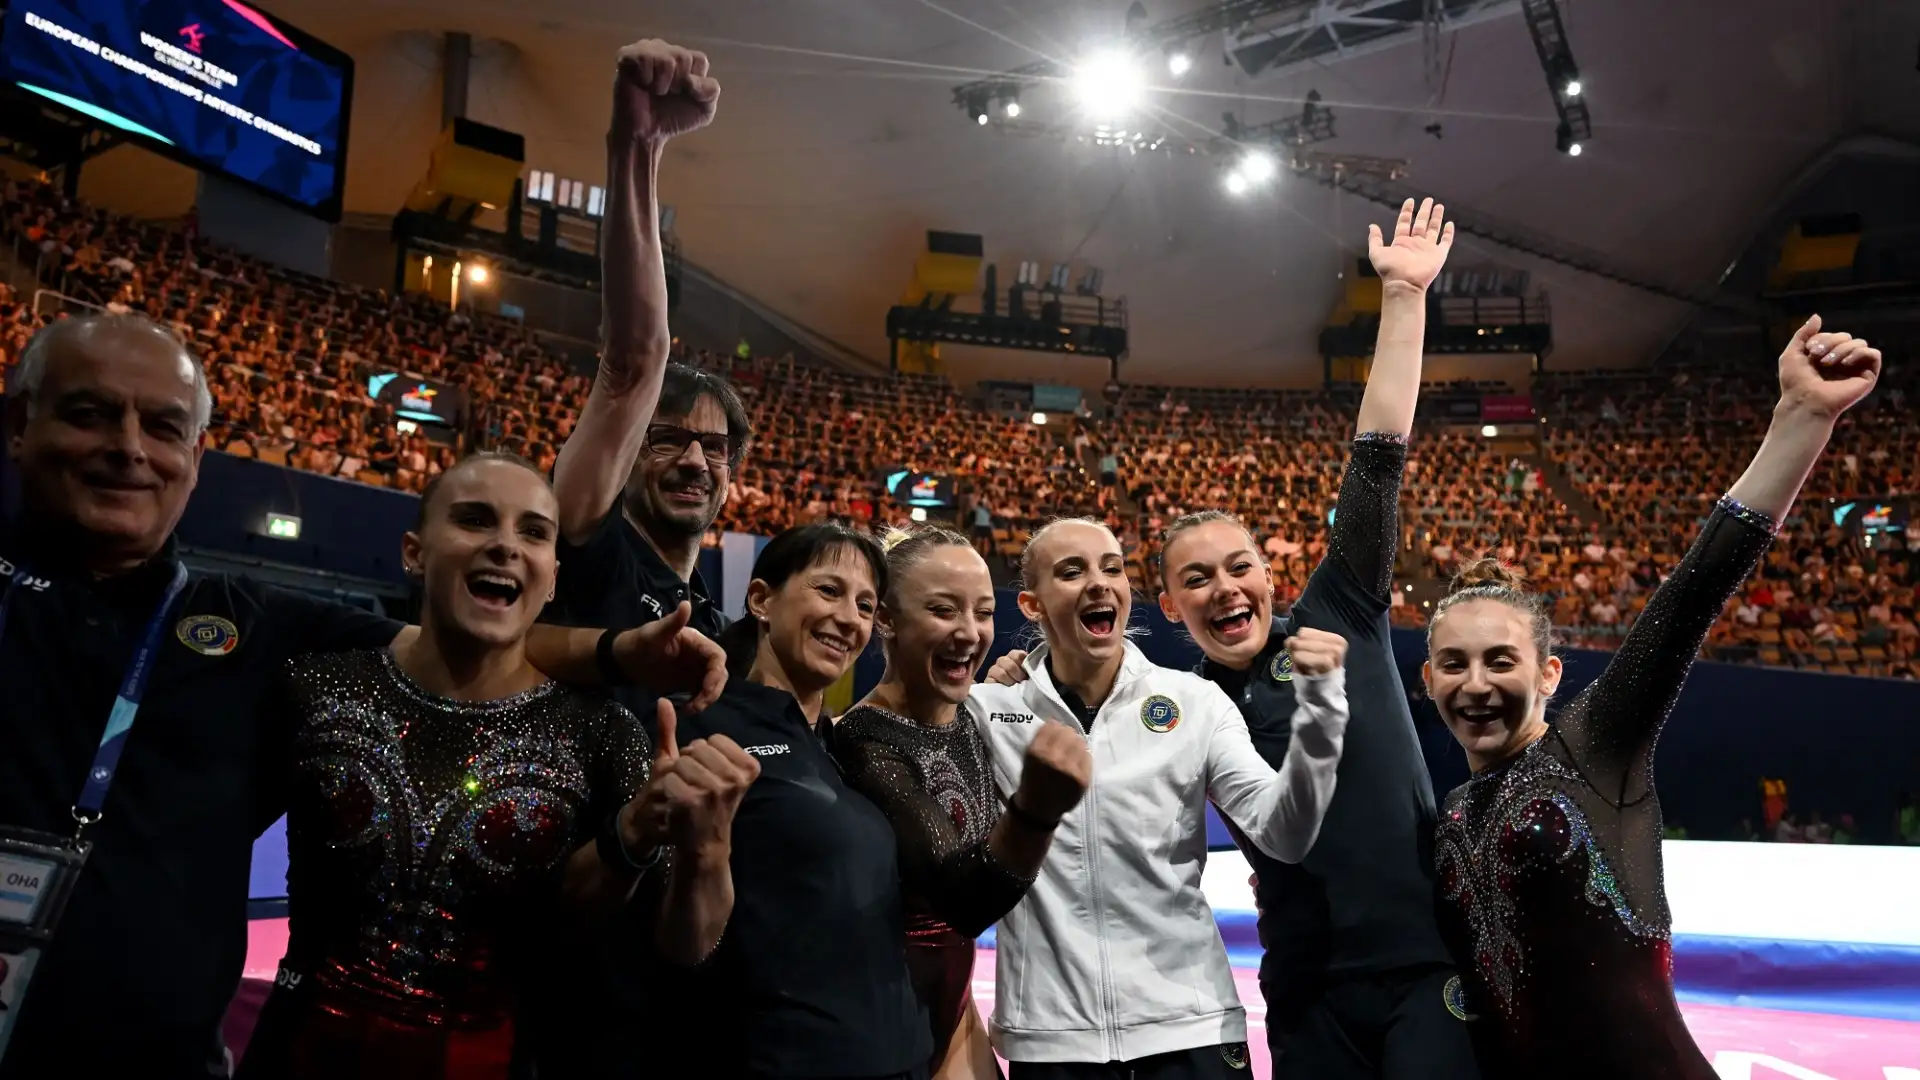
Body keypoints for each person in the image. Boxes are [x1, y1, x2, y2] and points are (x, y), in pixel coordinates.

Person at [0, 312, 720, 1080]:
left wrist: (618, 658)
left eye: (164, 426)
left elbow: (461, 640)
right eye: (90, 414)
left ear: (198, 455)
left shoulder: (256, 628)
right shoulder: (318, 679)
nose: (129, 447)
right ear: (18, 427)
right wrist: (616, 649)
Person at [991, 198, 1474, 1080]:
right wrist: (1028, 673)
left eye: (1239, 566)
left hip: (1420, 966)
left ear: (1271, 573)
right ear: (1170, 605)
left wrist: (1405, 298)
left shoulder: (1340, 612)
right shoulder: (1187, 707)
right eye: (1197, 579)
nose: (1225, 588)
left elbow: (1378, 459)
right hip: (1304, 986)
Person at [1424, 315, 1881, 1080]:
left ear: (1549, 674)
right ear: (1428, 679)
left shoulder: (1593, 748)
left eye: (1500, 661)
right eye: (1454, 664)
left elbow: (1692, 594)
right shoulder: (1451, 816)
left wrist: (1802, 417)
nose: (1475, 684)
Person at [236, 454, 757, 1080]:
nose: (506, 545)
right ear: (414, 553)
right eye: (475, 520)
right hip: (295, 1056)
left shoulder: (601, 732)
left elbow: (688, 945)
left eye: (533, 531)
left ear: (553, 577)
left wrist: (697, 845)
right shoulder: (318, 688)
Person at [969, 518, 1351, 1079]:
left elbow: (1283, 836)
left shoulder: (1197, 702)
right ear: (1032, 605)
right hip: (1052, 1040)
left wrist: (1321, 718)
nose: (1099, 582)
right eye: (1072, 571)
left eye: (1112, 568)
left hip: (1192, 1028)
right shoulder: (988, 713)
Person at [657, 524, 930, 1079]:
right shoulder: (704, 728)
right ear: (761, 600)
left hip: (900, 1060)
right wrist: (703, 854)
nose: (849, 619)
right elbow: (676, 944)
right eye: (829, 590)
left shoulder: (844, 744)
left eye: (865, 606)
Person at [833, 528, 1092, 1079]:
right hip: (882, 1021)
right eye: (943, 610)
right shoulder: (863, 740)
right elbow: (964, 902)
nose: (970, 632)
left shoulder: (977, 714)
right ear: (886, 618)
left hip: (954, 1014)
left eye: (983, 612)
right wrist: (1036, 810)